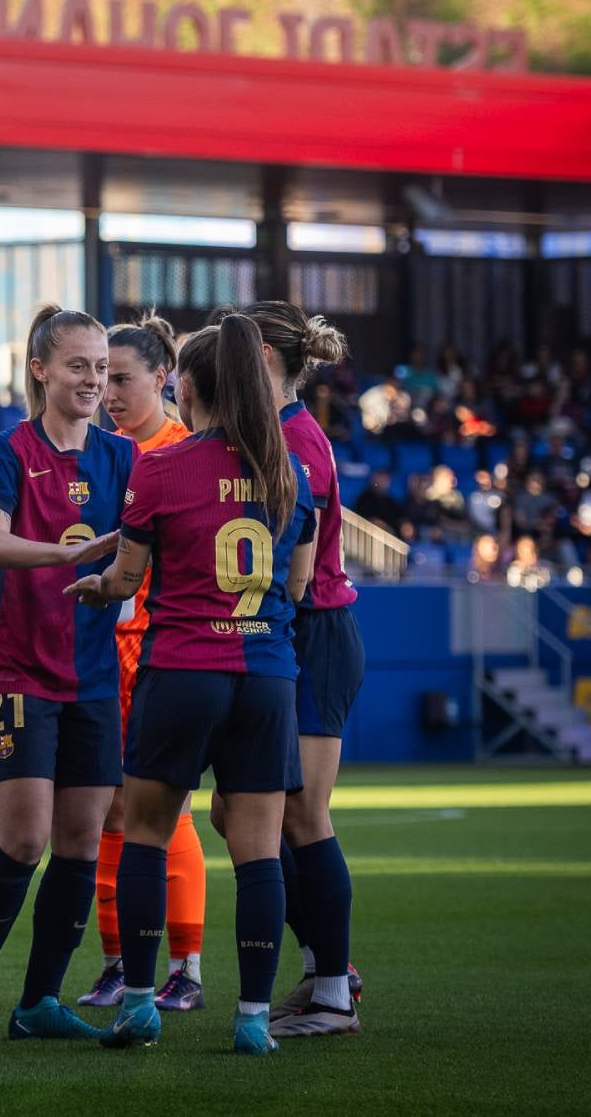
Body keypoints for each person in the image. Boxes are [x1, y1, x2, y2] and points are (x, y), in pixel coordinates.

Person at [67, 312, 317, 1056]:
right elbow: (298, 588)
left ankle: (141, 1002)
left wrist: (94, 585)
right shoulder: (287, 470)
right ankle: (249, 1020)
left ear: (190, 387)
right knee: (260, 851)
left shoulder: (162, 468)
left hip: (181, 670)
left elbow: (127, 579)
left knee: (144, 831)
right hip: (267, 676)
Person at [0, 304, 132, 1046]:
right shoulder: (8, 450)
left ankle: (39, 1003)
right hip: (17, 670)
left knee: (82, 843)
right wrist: (72, 557)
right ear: (41, 369)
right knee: (25, 840)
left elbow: (144, 550)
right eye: (78, 366)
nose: (92, 381)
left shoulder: (120, 458)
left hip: (89, 674)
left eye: (102, 369)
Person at [237, 298, 367, 1039]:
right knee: (240, 815)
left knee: (298, 815)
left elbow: (300, 567)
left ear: (261, 359)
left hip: (312, 631)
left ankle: (332, 990)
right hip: (291, 634)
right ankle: (326, 968)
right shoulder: (275, 432)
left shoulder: (299, 441)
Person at [82, 314, 209, 1014]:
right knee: (108, 810)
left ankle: (185, 967)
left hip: (164, 651)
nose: (109, 393)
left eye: (121, 378)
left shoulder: (183, 452)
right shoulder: (100, 452)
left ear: (164, 379)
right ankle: (117, 963)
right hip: (104, 651)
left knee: (167, 808)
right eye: (102, 378)